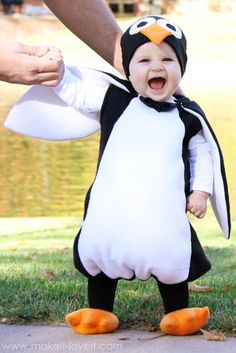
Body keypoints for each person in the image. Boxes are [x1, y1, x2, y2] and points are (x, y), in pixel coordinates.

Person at [5, 16, 230, 336]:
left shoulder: (186, 115)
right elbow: (78, 93)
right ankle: (99, 310)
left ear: (182, 68)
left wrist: (201, 192)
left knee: (170, 257)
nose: (157, 67)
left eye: (168, 59)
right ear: (127, 68)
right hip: (112, 209)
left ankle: (178, 313)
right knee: (102, 250)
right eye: (145, 60)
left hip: (162, 214)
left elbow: (202, 153)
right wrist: (57, 76)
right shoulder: (113, 99)